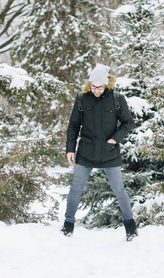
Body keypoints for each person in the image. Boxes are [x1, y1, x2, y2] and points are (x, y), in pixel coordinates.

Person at [61, 64, 138, 241]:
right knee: (76, 188)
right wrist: (70, 149)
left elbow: (128, 123)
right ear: (89, 84)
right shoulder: (82, 99)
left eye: (100, 87)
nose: (96, 90)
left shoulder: (117, 99)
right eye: (93, 86)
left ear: (107, 84)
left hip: (109, 152)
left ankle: (131, 228)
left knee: (119, 190)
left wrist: (114, 139)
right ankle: (68, 226)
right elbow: (73, 125)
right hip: (85, 152)